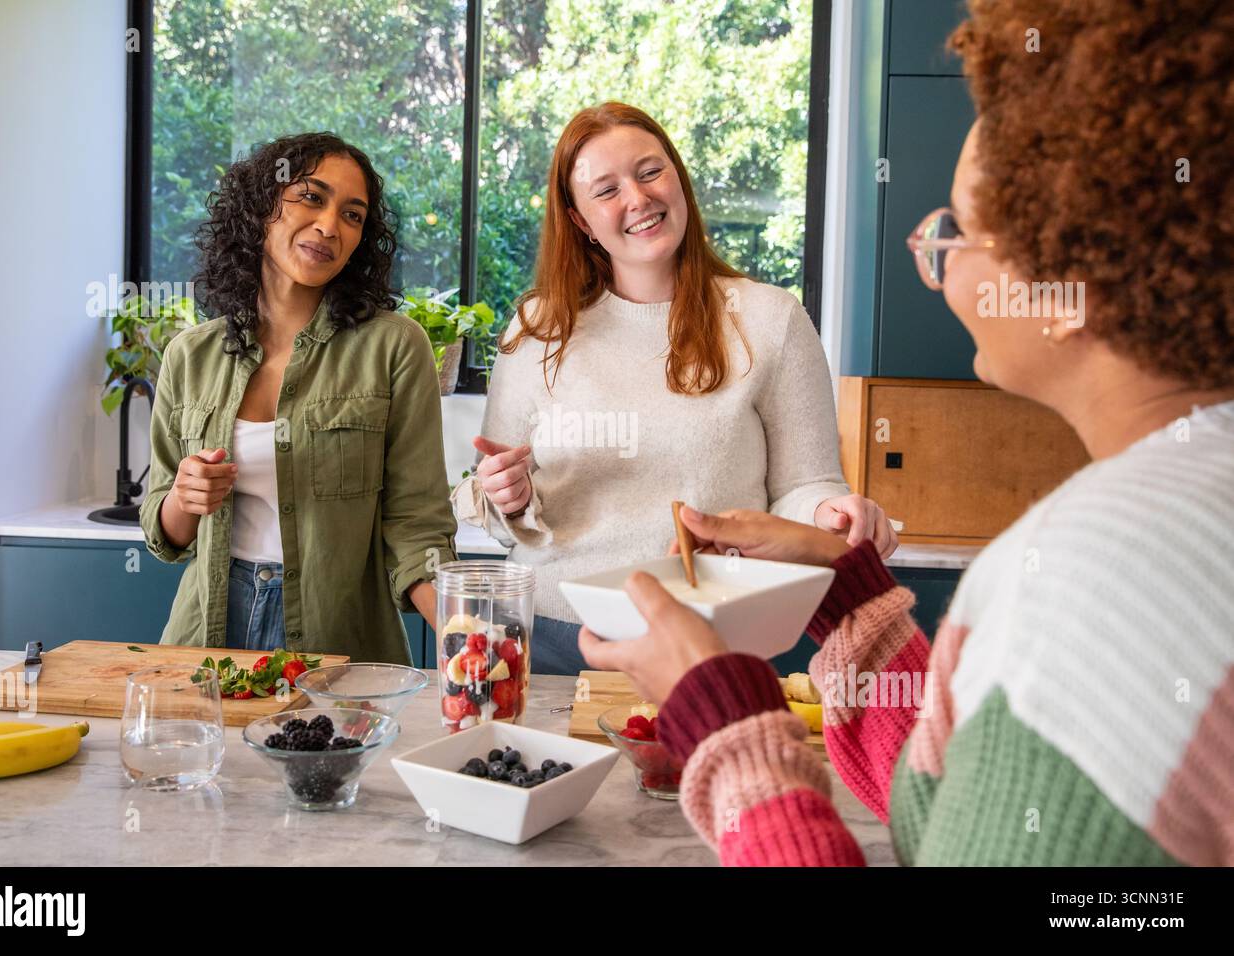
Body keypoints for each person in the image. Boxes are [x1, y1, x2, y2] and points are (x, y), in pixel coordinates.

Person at [580, 1, 1234, 865]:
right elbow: (965, 806)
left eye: (957, 230)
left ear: (1071, 273)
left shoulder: (1099, 574)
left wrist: (727, 726)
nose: (934, 261)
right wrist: (847, 596)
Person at [451, 102, 898, 675]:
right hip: (552, 637)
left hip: (707, 634)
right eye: (606, 190)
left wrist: (834, 514)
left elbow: (804, 487)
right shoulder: (538, 328)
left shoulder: (769, 319)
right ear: (581, 220)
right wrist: (505, 494)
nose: (637, 199)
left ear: (678, 180)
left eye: (649, 172)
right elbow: (497, 493)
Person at [140, 131, 456, 662]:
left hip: (342, 638)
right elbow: (166, 533)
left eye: (353, 216)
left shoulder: (393, 346)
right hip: (207, 637)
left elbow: (416, 522)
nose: (330, 226)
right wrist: (184, 498)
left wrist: (461, 631)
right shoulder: (189, 355)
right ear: (262, 206)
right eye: (312, 197)